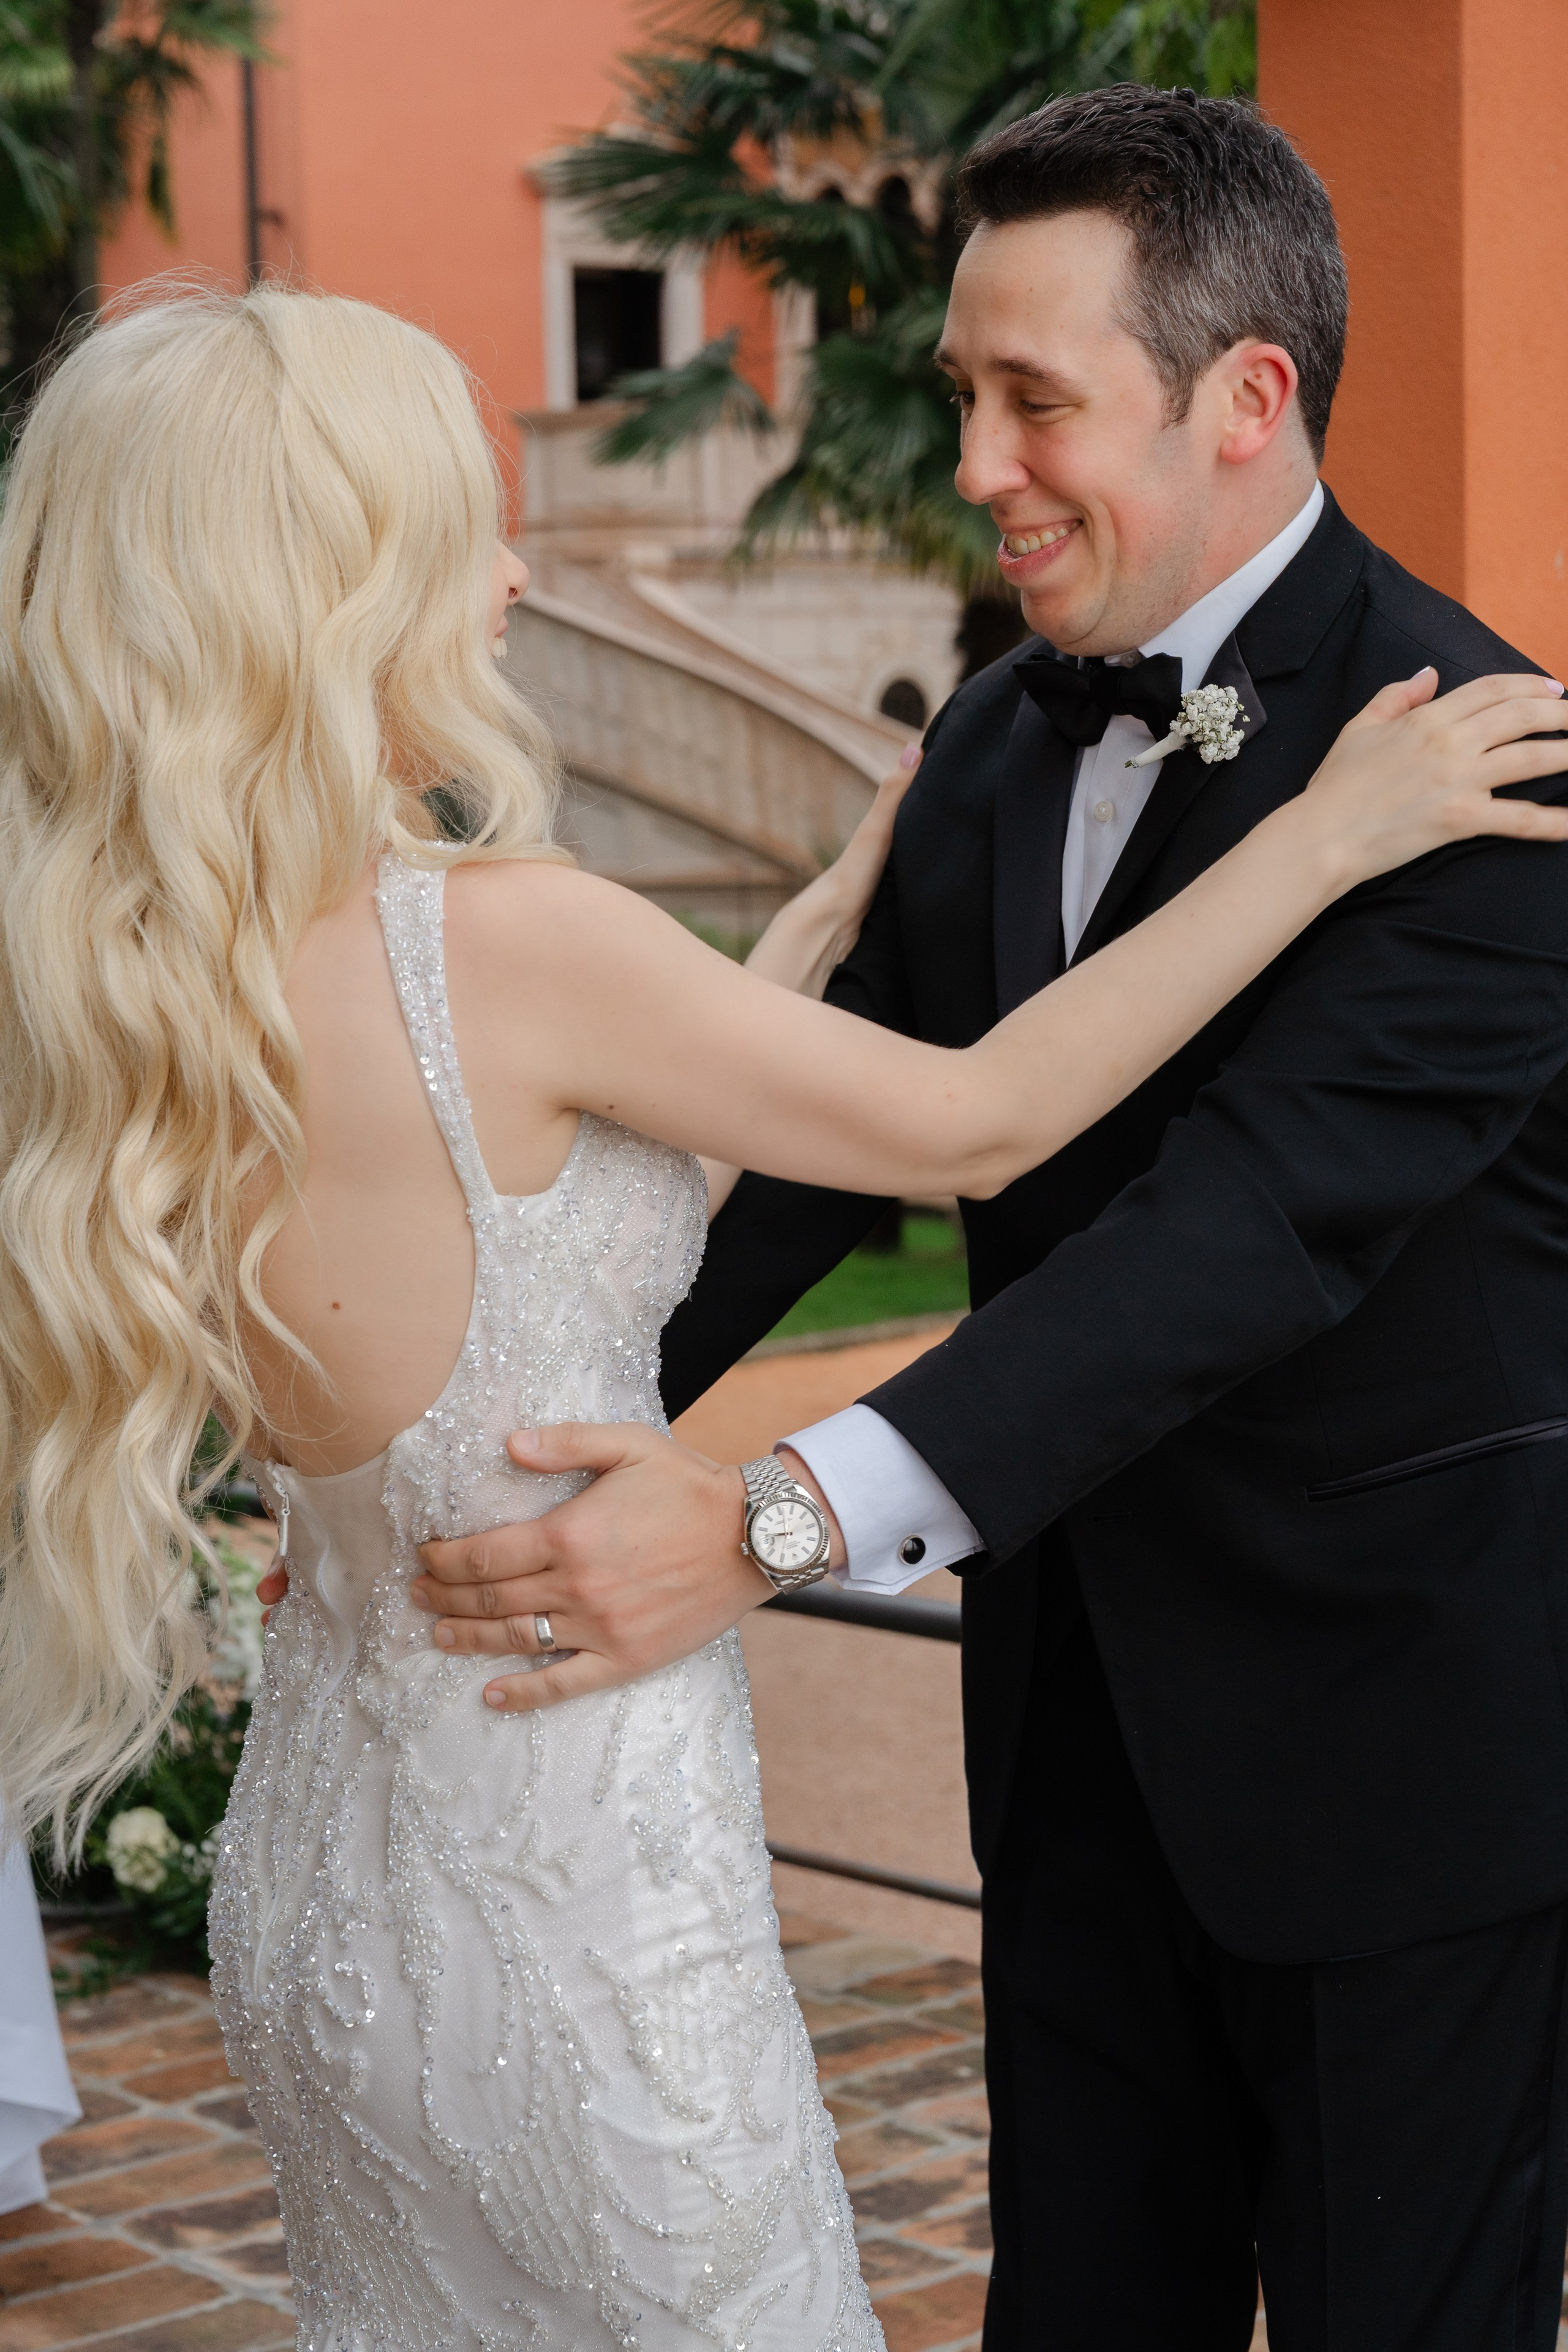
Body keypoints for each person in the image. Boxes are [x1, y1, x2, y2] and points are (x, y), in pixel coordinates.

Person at [0, 287, 1558, 2352]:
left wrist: (825, 924)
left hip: (336, 1872)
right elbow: (978, 1120)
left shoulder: (121, 978)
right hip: (582, 1876)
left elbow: (544, 1209)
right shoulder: (526, 940)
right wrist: (1325, 837)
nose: (519, 575)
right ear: (333, 586)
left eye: (1029, 397)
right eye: (468, 529)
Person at [398, 85, 1568, 2352]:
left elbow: (1239, 1239)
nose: (971, 466)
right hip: (1066, 1748)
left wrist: (769, 1521)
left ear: (1247, 399)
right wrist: (485, 1435)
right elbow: (831, 1149)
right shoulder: (998, 737)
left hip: (1399, 1770)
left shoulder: (1493, 774)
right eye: (963, 395)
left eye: (1034, 401)